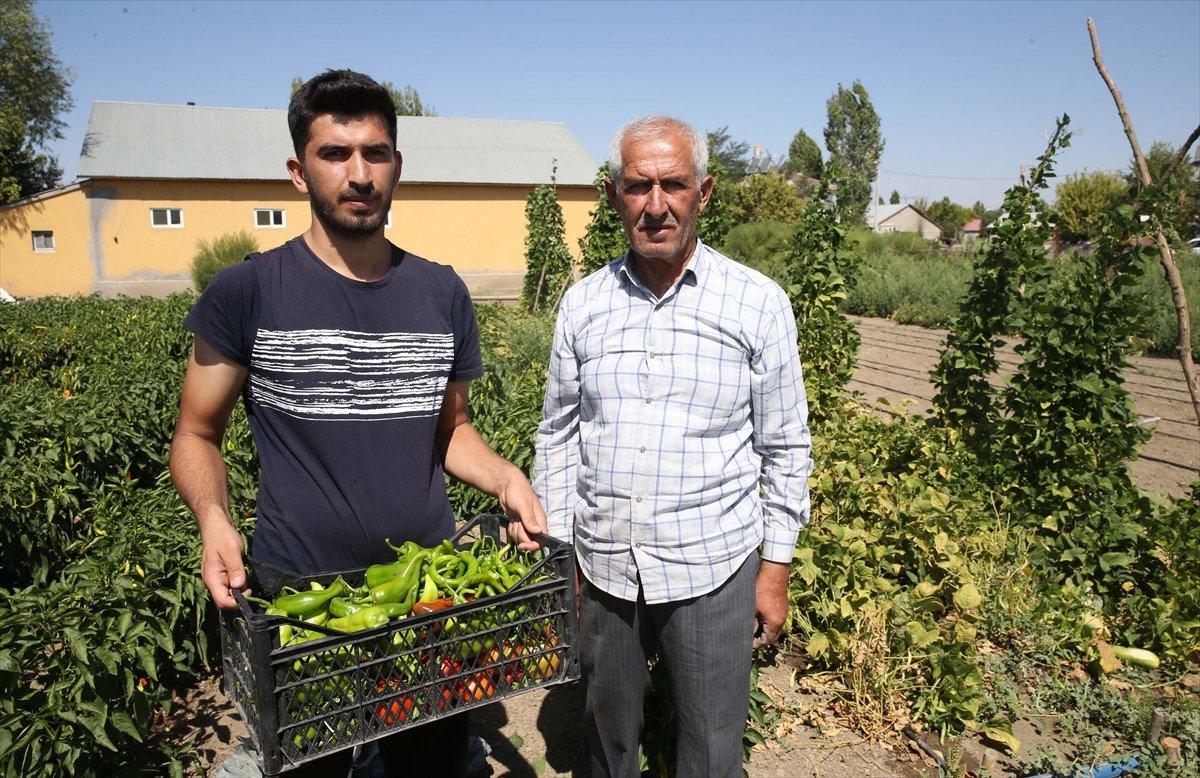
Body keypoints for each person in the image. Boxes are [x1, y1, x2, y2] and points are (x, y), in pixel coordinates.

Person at [169, 69, 546, 778]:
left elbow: (451, 431)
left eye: (375, 153)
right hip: (304, 603)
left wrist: (505, 478)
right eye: (335, 154)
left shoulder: (440, 292)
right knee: (314, 766)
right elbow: (196, 433)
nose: (359, 173)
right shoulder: (247, 291)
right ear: (297, 170)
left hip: (426, 596)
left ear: (397, 165)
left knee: (426, 764)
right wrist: (214, 521)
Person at [532, 115, 812, 778]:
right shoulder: (583, 304)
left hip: (713, 566)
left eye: (673, 185)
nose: (656, 205)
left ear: (704, 192)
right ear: (612, 194)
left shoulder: (757, 304)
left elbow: (785, 445)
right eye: (638, 186)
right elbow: (558, 433)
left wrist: (775, 571)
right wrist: (562, 552)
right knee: (606, 737)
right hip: (604, 568)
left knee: (712, 745)